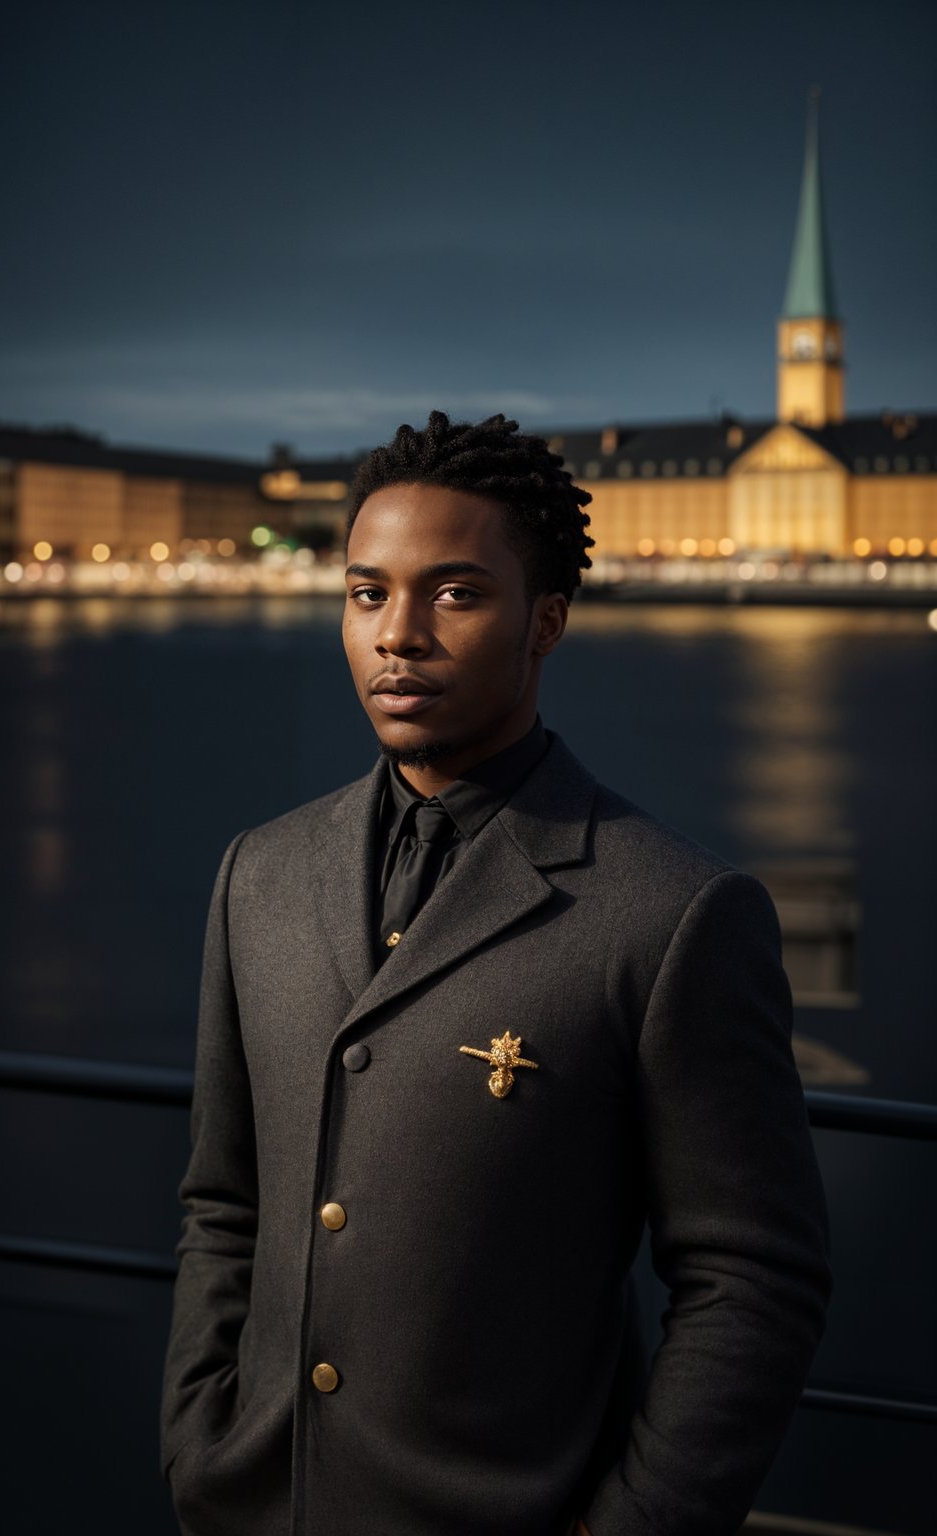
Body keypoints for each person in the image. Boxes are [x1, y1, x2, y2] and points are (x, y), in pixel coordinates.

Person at [160, 411, 831, 1536]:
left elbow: (753, 1285)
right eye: (368, 593)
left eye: (456, 594)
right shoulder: (258, 875)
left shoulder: (674, 914)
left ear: (546, 621)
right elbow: (224, 1203)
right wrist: (198, 1439)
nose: (398, 635)